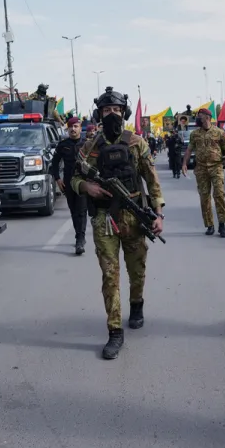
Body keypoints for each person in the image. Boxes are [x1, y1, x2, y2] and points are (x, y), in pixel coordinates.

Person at [71, 86, 164, 360]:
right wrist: (88, 188)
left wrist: (158, 214)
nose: (111, 114)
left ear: (123, 113)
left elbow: (152, 180)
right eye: (106, 110)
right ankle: (114, 331)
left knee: (137, 270)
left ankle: (136, 304)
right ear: (99, 113)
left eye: (116, 110)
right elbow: (75, 178)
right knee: (110, 275)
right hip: (104, 219)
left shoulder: (137, 142)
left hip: (135, 216)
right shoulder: (90, 146)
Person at [182, 108, 225, 237]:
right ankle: (209, 225)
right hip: (201, 168)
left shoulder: (220, 132)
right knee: (204, 197)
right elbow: (189, 150)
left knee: (219, 195)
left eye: (200, 116)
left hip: (216, 167)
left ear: (208, 117)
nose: (198, 118)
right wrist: (184, 164)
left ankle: (222, 225)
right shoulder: (195, 134)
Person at [51, 117, 88, 255]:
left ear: (80, 128)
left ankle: (80, 239)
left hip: (83, 182)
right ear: (67, 129)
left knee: (82, 211)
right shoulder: (63, 145)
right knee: (73, 211)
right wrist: (57, 179)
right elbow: (54, 163)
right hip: (68, 182)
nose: (73, 129)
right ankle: (79, 235)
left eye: (76, 126)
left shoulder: (87, 144)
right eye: (71, 127)